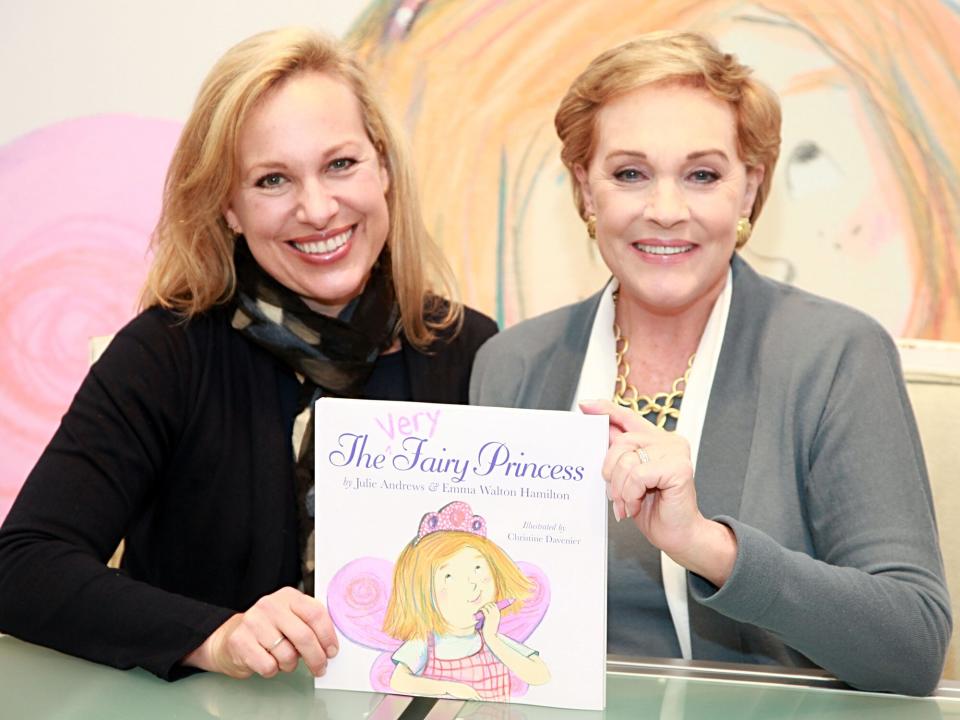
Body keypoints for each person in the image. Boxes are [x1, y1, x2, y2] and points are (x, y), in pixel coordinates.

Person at [0, 27, 497, 682]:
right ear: (229, 206)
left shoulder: (470, 349)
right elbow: (22, 567)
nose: (318, 208)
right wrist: (218, 637)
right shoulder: (166, 354)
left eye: (340, 164)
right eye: (272, 180)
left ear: (384, 170)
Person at [470, 31, 951, 696]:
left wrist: (707, 545)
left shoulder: (837, 355)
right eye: (629, 173)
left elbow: (912, 647)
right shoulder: (511, 365)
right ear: (585, 190)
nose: (666, 211)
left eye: (703, 174)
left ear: (750, 189)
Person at [383, 501, 550, 701]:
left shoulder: (490, 639)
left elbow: (541, 675)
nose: (471, 584)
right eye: (449, 576)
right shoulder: (425, 644)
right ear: (421, 592)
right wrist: (449, 688)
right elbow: (399, 680)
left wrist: (493, 640)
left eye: (477, 568)